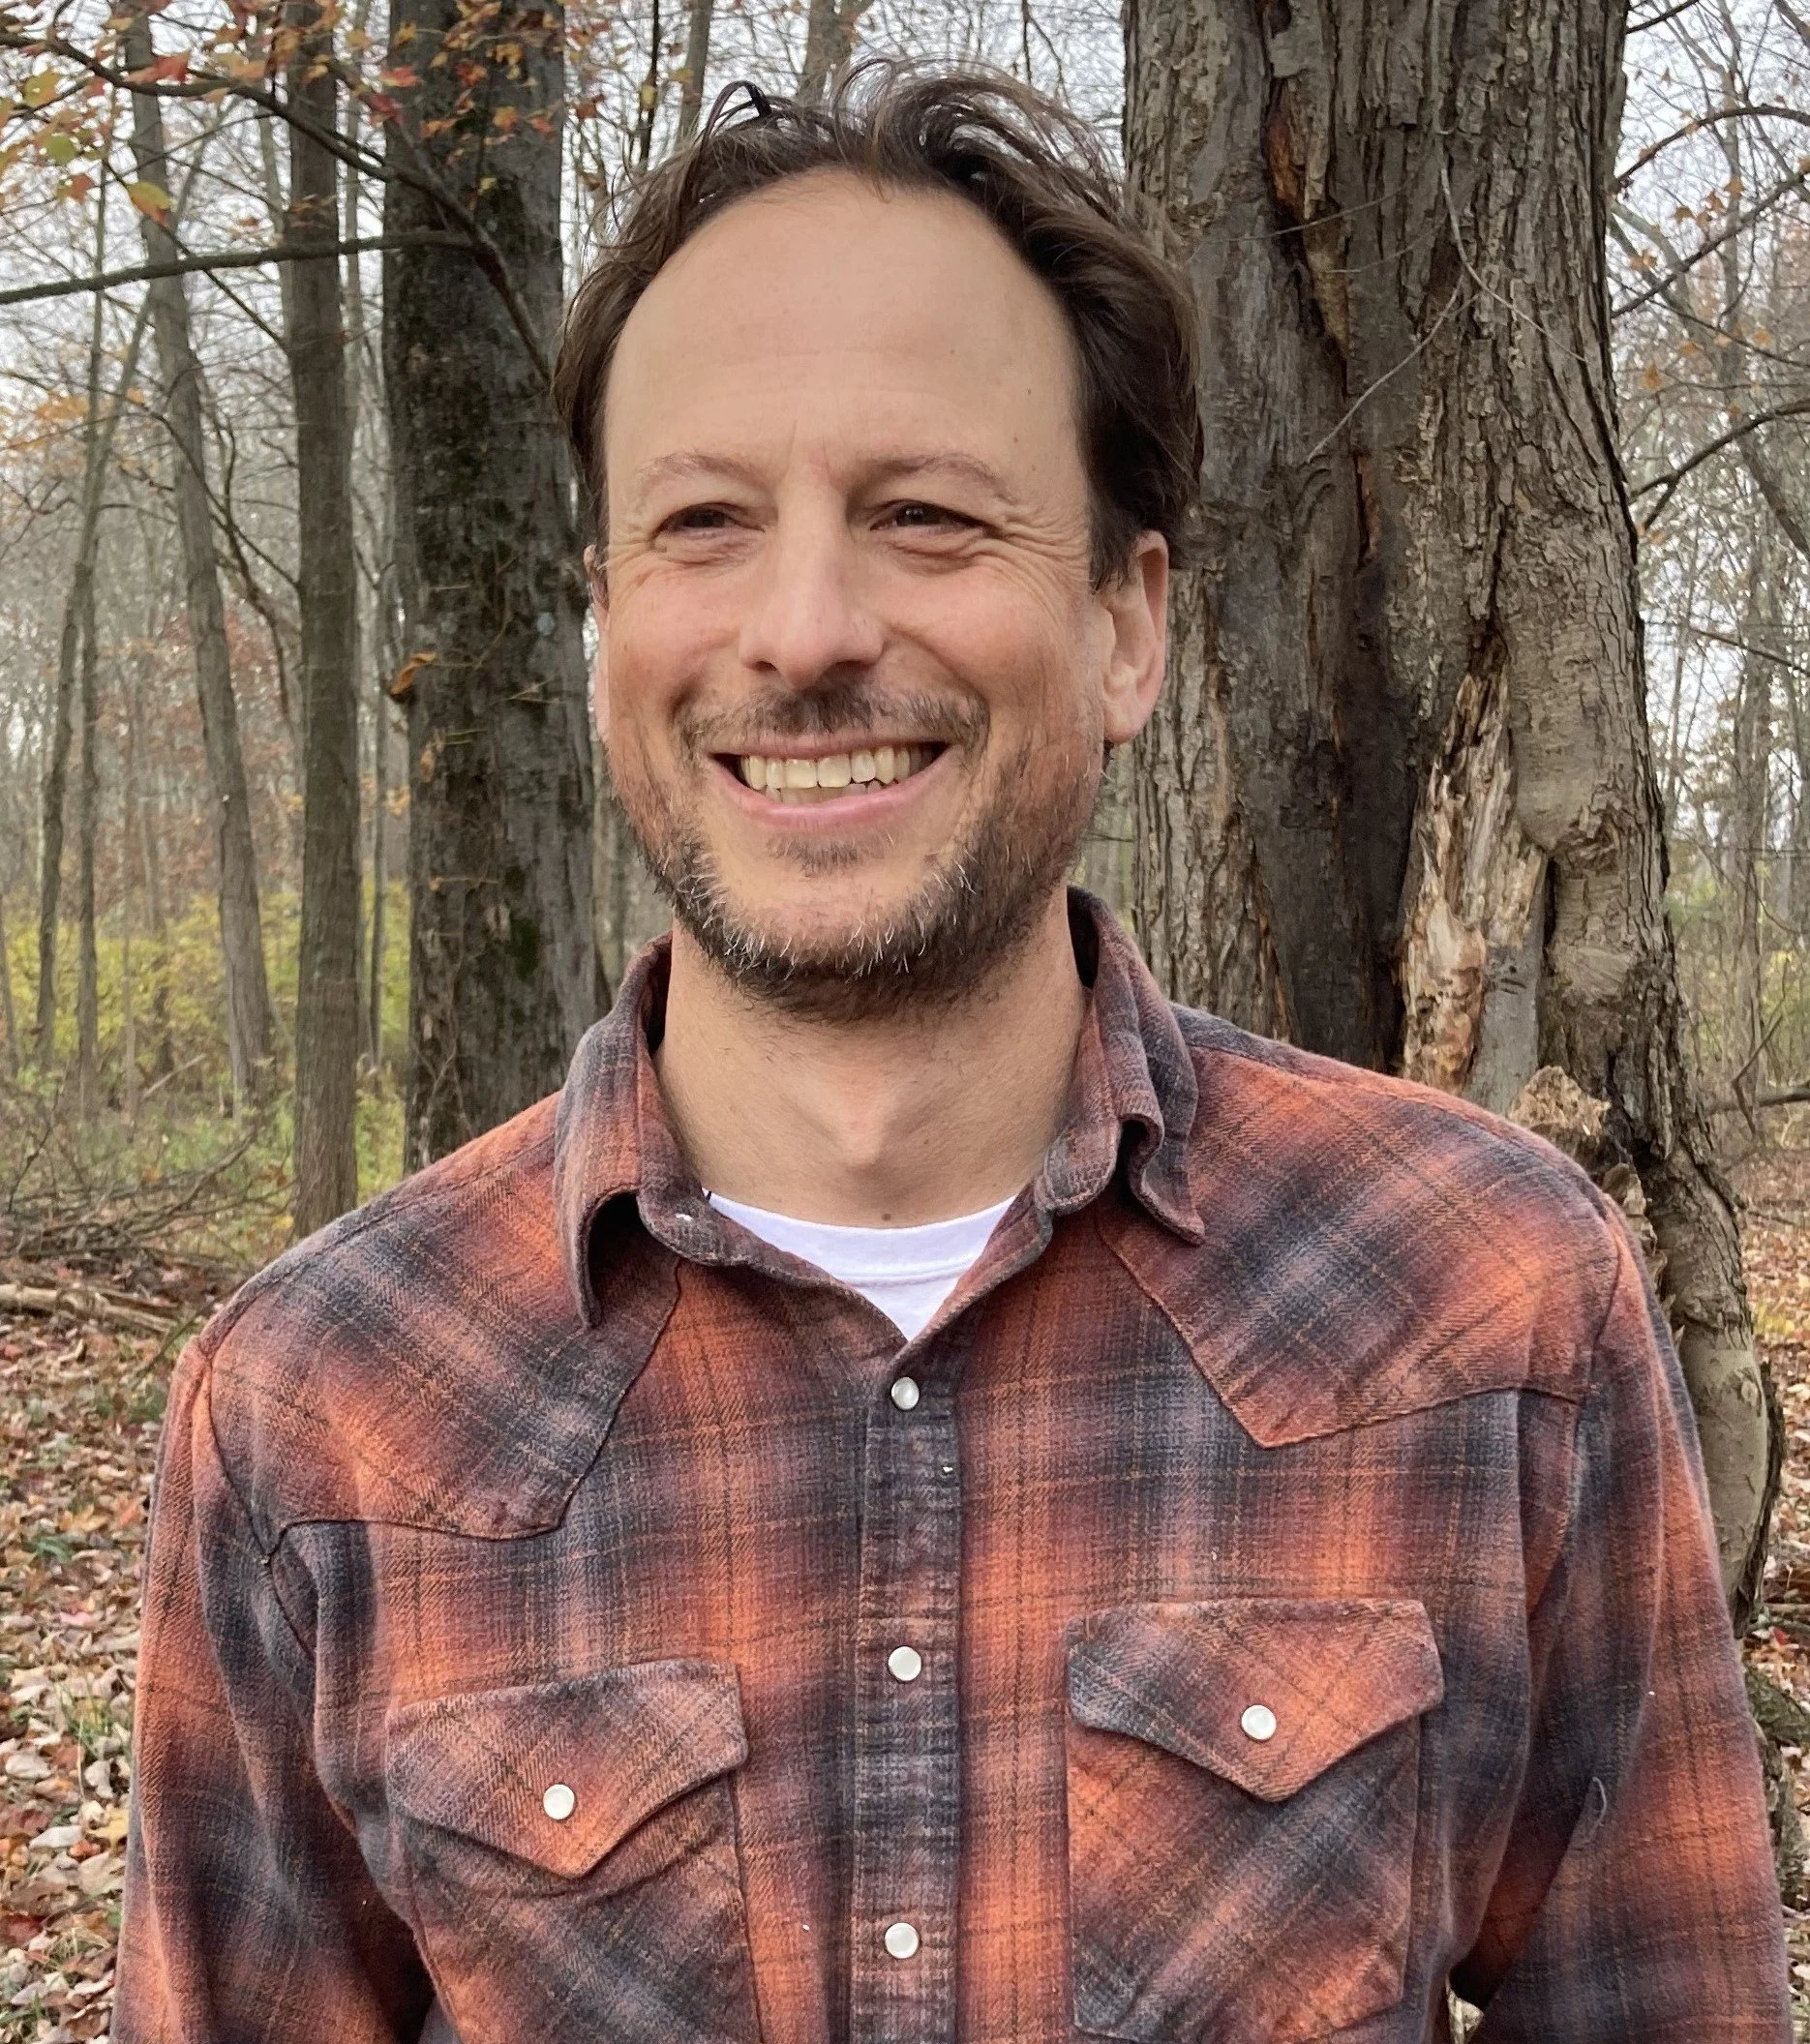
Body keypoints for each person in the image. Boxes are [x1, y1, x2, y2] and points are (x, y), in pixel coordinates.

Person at [115, 62, 1788, 2044]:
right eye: (703, 523)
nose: (805, 628)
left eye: (923, 515)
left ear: (1124, 627)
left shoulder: (1484, 1300)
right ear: (603, 627)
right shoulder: (323, 1411)